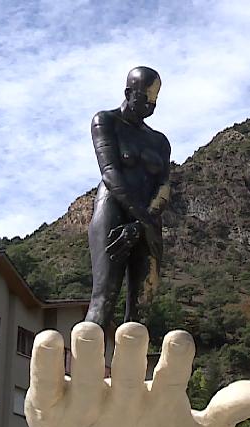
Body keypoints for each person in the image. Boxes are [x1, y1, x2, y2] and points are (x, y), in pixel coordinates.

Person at [85, 66, 172, 334]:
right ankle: (84, 369)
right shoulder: (105, 121)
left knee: (143, 306)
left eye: (155, 100)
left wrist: (142, 223)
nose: (152, 106)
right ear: (128, 93)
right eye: (146, 99)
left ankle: (130, 371)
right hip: (114, 207)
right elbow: (110, 172)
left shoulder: (160, 141)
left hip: (147, 219)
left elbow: (164, 186)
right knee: (104, 297)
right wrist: (139, 218)